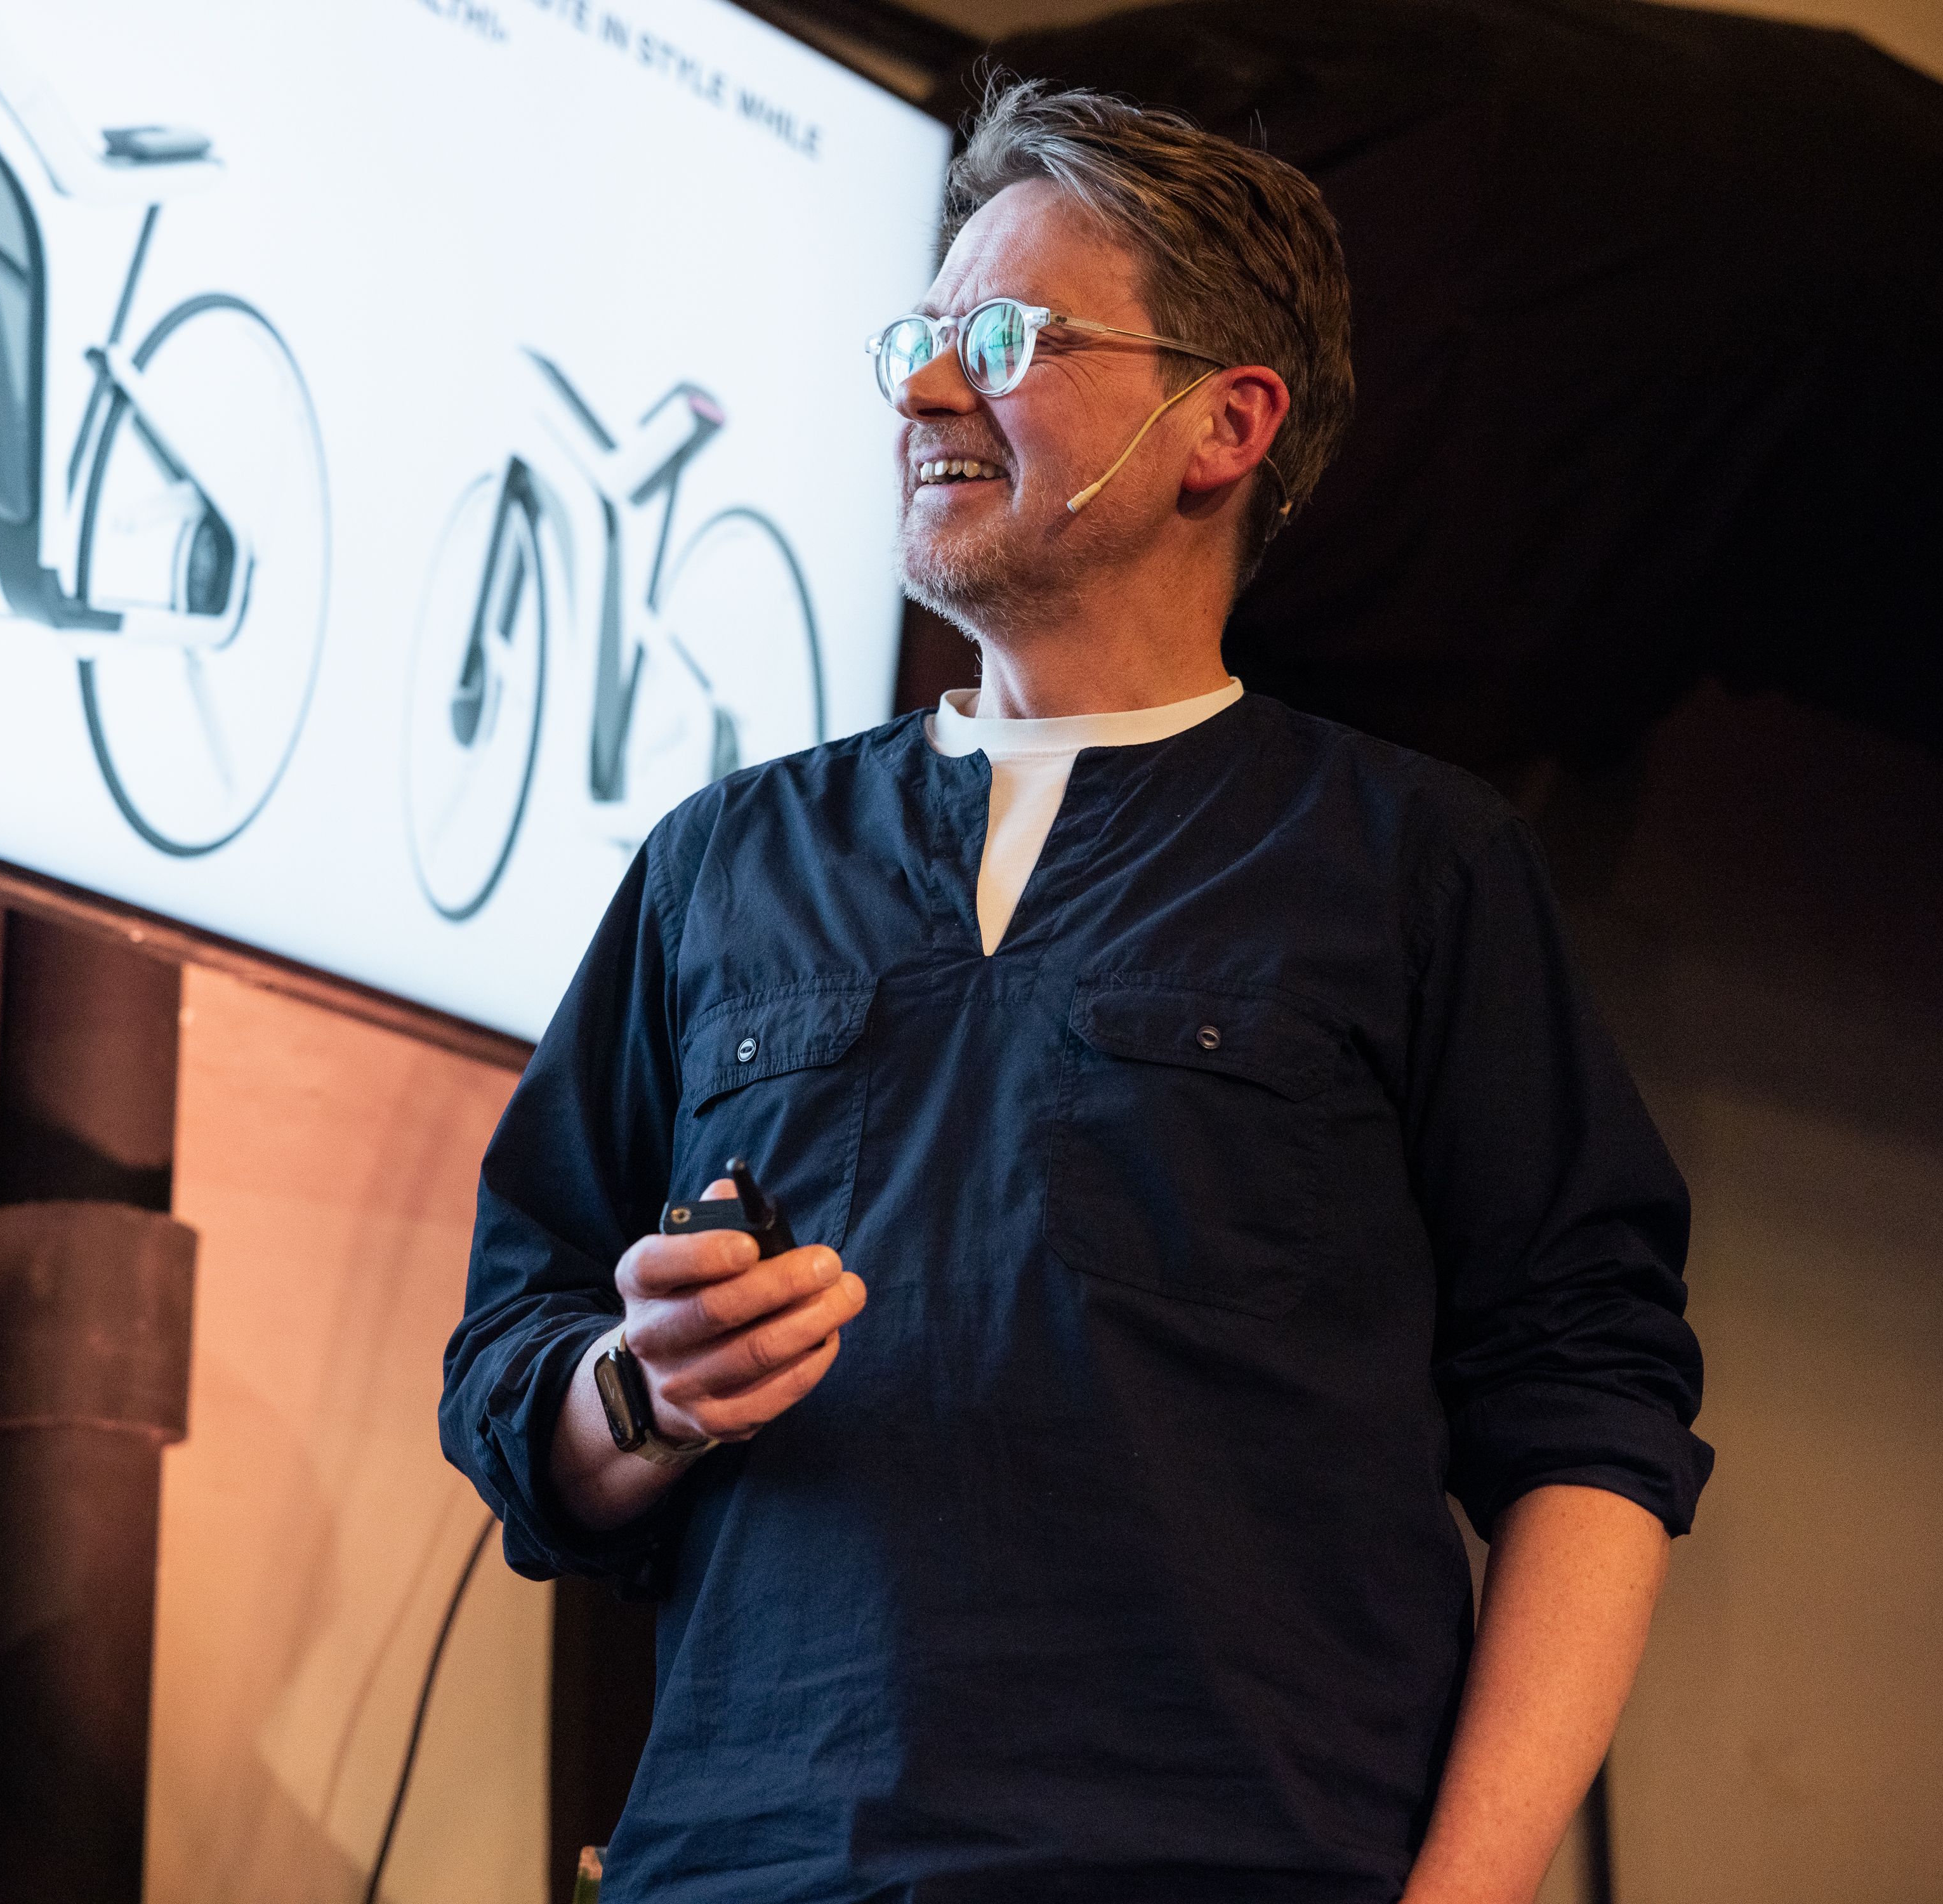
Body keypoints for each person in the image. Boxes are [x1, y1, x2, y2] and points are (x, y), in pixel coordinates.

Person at [441, 79, 1710, 1904]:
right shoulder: (722, 860)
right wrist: (638, 1392)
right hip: (738, 1865)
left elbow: (1586, 1399)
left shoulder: (1409, 865)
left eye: (1006, 339)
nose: (926, 391)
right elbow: (515, 1348)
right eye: (922, 339)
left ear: (1223, 423)